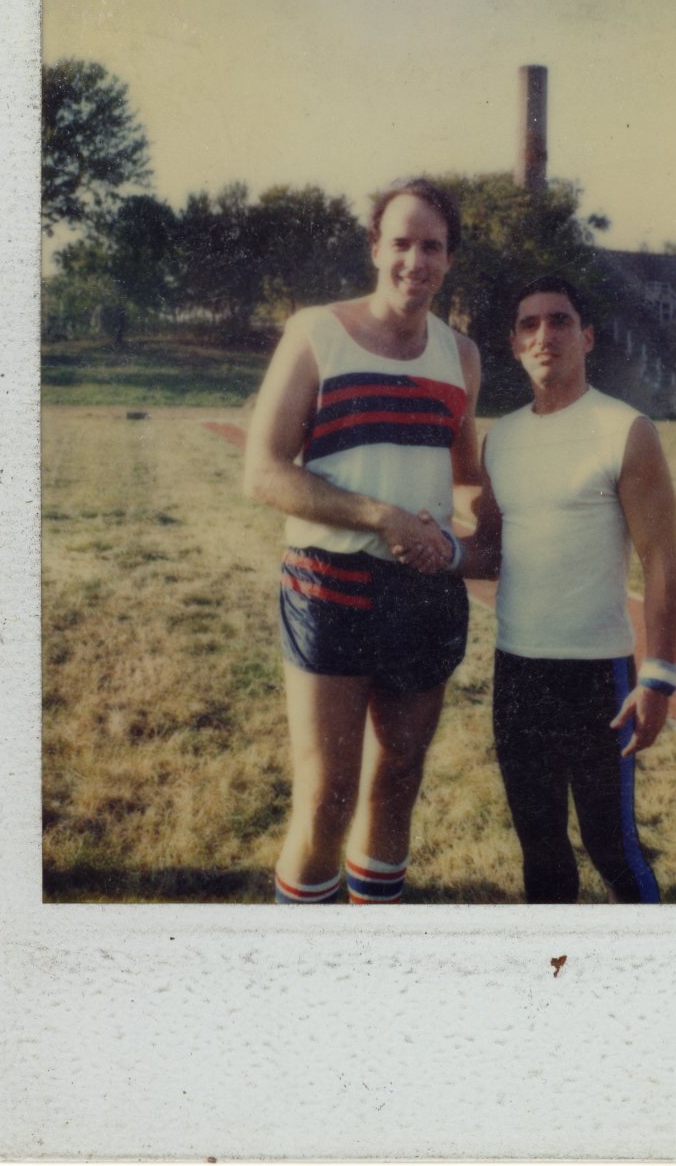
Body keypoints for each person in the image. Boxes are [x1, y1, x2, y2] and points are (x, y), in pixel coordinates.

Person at [243, 177, 481, 905]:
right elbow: (263, 472)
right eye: (401, 242)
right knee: (326, 796)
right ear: (376, 248)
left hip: (424, 597)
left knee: (399, 778)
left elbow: (467, 480)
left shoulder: (461, 355)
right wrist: (383, 516)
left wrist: (456, 539)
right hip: (331, 585)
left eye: (432, 246)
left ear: (449, 259)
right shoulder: (317, 331)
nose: (416, 260)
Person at [444, 274, 676, 903]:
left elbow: (662, 561)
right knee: (541, 848)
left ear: (587, 337)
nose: (544, 334)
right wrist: (434, 550)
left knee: (612, 846)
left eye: (559, 321)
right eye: (529, 324)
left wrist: (658, 675)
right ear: (516, 344)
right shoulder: (505, 437)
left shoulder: (625, 429)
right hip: (518, 672)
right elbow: (490, 548)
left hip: (596, 677)